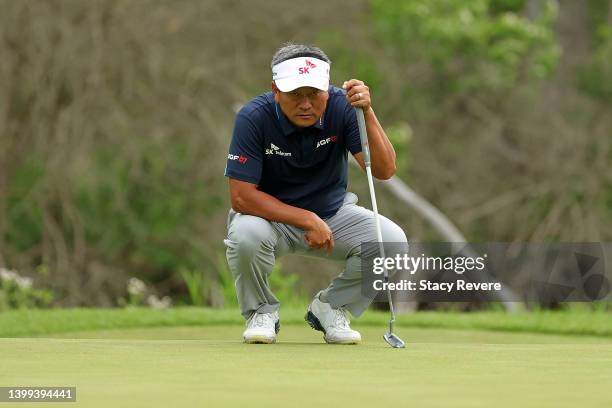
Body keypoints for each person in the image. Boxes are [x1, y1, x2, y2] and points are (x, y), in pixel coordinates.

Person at [223, 43, 407, 344]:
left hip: (333, 214)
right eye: (295, 94)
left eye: (314, 94)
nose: (305, 104)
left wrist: (367, 112)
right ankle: (261, 312)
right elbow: (241, 197)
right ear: (275, 90)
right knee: (245, 235)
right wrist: (306, 219)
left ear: (327, 88)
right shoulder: (253, 117)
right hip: (269, 219)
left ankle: (331, 307)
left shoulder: (342, 107)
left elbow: (384, 170)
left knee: (392, 243)